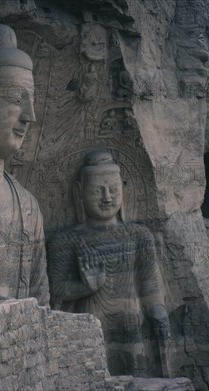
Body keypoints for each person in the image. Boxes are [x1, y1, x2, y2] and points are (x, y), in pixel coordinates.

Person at [47, 149, 170, 377]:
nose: (107, 197)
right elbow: (53, 291)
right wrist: (84, 287)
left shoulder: (139, 235)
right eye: (97, 191)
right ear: (79, 193)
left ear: (123, 190)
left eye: (113, 190)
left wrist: (159, 311)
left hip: (132, 323)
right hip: (89, 325)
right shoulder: (65, 241)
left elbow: (150, 285)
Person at [0, 23, 49, 305]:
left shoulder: (28, 205)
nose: (29, 116)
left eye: (31, 102)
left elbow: (42, 299)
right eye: (17, 99)